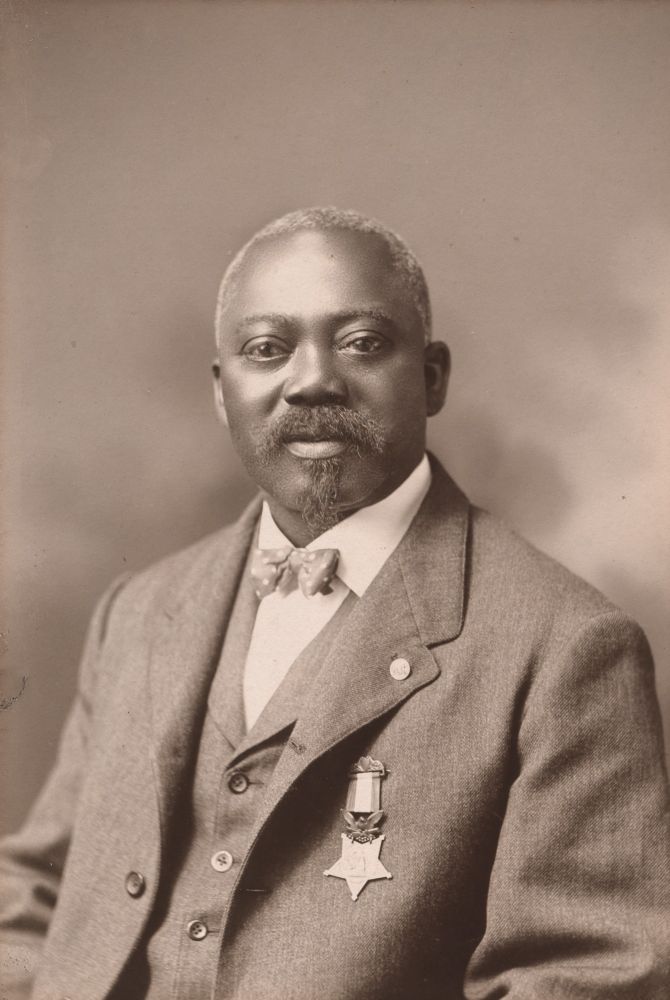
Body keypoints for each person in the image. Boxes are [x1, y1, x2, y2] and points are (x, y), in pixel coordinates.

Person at [1, 207, 669, 1000]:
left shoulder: (567, 648)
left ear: (432, 377)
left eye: (361, 343)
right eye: (266, 349)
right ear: (223, 392)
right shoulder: (138, 612)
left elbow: (587, 979)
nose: (312, 379)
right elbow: (33, 900)